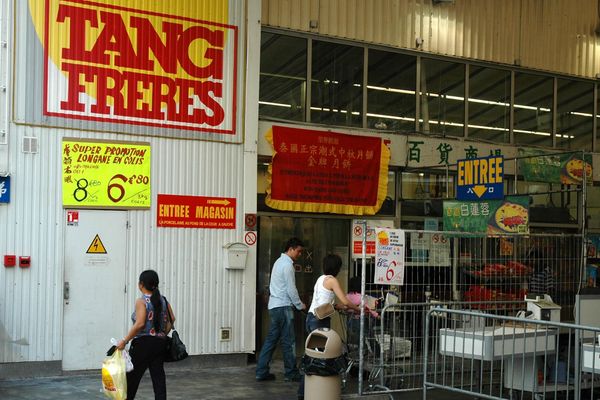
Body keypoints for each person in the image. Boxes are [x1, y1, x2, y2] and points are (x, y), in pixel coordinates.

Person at [298, 254, 361, 400]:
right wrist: (359, 309)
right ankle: (306, 392)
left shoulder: (321, 279)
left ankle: (305, 392)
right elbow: (345, 301)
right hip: (319, 322)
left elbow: (324, 301)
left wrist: (336, 307)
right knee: (317, 359)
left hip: (312, 318)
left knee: (313, 356)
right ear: (337, 268)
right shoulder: (332, 280)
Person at [116, 270, 174, 400]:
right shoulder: (163, 300)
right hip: (160, 344)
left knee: (131, 378)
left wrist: (124, 341)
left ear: (141, 284)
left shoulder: (141, 301)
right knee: (158, 378)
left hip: (143, 344)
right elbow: (172, 319)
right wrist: (162, 334)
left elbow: (140, 323)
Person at [256, 237, 307, 382]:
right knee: (288, 342)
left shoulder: (278, 262)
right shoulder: (287, 265)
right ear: (291, 249)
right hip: (283, 307)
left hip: (274, 306)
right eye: (298, 251)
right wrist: (300, 305)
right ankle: (291, 373)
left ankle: (261, 371)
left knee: (271, 340)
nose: (299, 254)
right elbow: (291, 289)